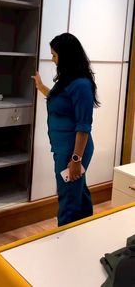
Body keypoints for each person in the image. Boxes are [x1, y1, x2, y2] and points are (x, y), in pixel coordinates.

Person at [32, 32, 100, 226]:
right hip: (64, 149)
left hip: (74, 151)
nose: (53, 59)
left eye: (54, 55)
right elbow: (58, 100)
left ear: (67, 55)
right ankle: (85, 229)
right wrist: (41, 86)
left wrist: (76, 160)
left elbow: (83, 127)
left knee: (68, 197)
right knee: (78, 192)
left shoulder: (81, 85)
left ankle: (64, 241)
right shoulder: (67, 81)